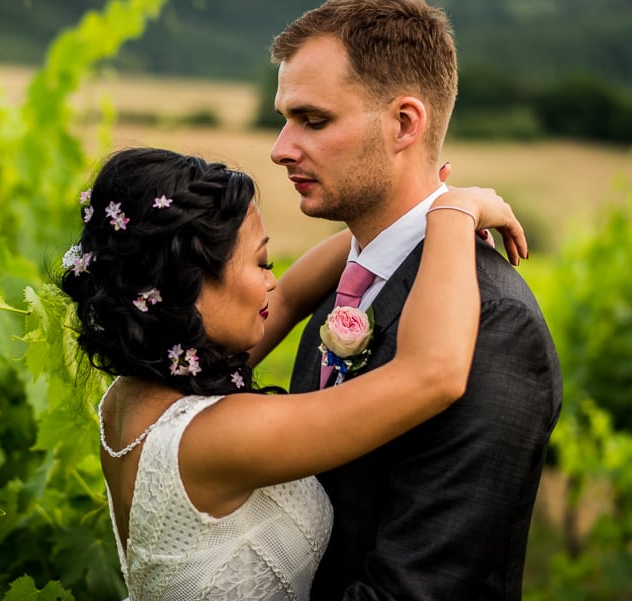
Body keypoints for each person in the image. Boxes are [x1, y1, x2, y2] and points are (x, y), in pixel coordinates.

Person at [59, 146, 528, 600]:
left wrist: (409, 211)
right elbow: (432, 374)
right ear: (191, 286)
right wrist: (454, 212)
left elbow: (287, 299)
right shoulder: (212, 439)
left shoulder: (136, 394)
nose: (271, 281)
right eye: (261, 263)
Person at [268, 1, 563, 599]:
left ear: (405, 124)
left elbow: (420, 588)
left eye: (313, 120)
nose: (280, 148)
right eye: (284, 119)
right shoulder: (345, 281)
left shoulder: (495, 324)